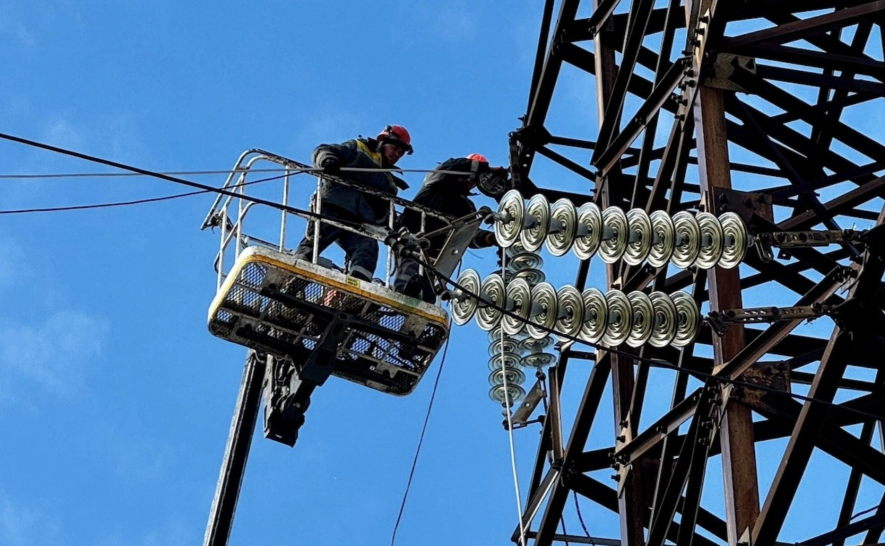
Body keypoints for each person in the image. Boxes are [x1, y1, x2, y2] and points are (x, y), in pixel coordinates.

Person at [293, 125, 412, 281]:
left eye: (400, 153)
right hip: (335, 204)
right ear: (383, 141)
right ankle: (292, 276)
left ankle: (355, 289)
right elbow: (323, 150)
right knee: (315, 242)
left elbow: (385, 214)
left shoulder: (389, 182)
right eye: (395, 148)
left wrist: (396, 229)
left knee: (367, 249)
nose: (397, 154)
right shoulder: (360, 148)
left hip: (361, 221)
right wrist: (328, 162)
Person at [394, 153, 508, 302]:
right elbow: (451, 165)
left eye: (474, 181)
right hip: (412, 235)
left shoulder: (465, 206)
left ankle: (424, 305)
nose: (470, 183)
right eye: (470, 177)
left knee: (430, 284)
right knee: (411, 264)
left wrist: (491, 238)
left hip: (435, 252)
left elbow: (468, 234)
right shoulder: (435, 182)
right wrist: (489, 170)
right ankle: (403, 291)